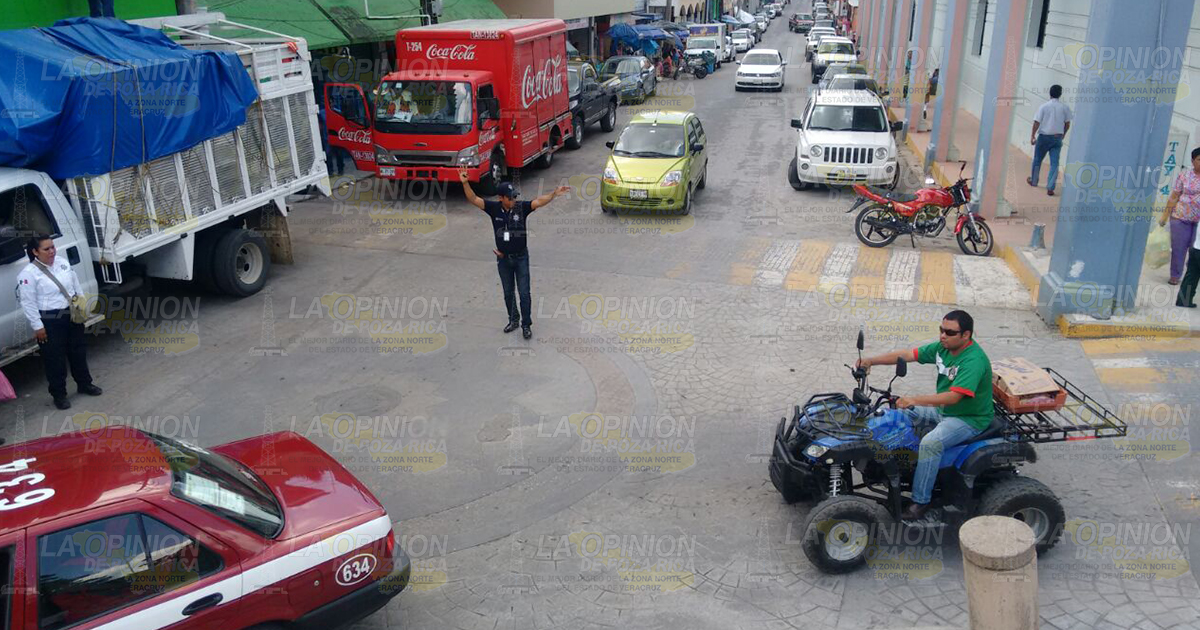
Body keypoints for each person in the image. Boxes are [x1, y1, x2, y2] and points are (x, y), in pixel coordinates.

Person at [855, 310, 993, 520]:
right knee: (894, 411)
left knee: (930, 444)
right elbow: (908, 354)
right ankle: (896, 465)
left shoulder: (973, 360)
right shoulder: (943, 348)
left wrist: (915, 399)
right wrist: (871, 361)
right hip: (944, 411)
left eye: (949, 332)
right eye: (941, 330)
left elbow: (954, 397)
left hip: (968, 418)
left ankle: (921, 501)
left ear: (966, 335)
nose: (942, 335)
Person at [458, 168, 571, 339]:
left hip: (521, 258)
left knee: (524, 293)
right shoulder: (493, 208)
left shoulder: (521, 208)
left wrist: (554, 194)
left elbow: (538, 201)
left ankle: (526, 325)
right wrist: (465, 182)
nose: (514, 200)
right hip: (503, 260)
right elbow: (473, 199)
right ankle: (514, 320)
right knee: (508, 293)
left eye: (515, 196)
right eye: (510, 198)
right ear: (501, 198)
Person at [18, 235, 103, 410]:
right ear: (35, 252)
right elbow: (28, 302)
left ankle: (85, 384)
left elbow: (74, 284)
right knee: (54, 359)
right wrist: (38, 326)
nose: (52, 252)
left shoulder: (62, 262)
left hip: (71, 314)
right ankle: (59, 395)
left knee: (78, 351)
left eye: (53, 247)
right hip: (50, 319)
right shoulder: (28, 274)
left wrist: (81, 303)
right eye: (46, 249)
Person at [1160, 148, 1200, 286]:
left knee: (1195, 250)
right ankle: (1175, 276)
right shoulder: (1184, 175)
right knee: (1179, 248)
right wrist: (1164, 216)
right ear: (1192, 161)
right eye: (1199, 160)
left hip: (1199, 222)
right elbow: (1175, 195)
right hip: (1180, 217)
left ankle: (1191, 276)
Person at [1028, 84, 1073, 197]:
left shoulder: (1043, 106)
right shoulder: (1065, 107)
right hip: (1057, 138)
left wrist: (1033, 135)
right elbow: (1067, 124)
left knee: (1038, 159)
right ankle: (1050, 187)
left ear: (1050, 93)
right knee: (1054, 163)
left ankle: (1034, 181)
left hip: (1043, 137)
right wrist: (1063, 135)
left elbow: (1036, 122)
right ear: (1060, 94)